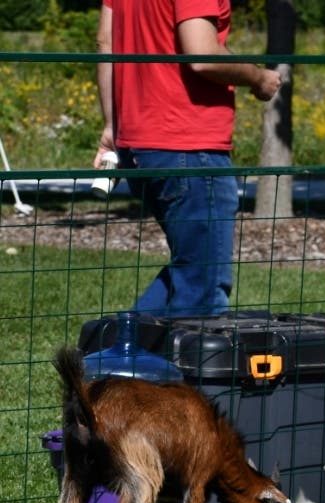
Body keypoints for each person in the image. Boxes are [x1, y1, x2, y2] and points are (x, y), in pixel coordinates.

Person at [94, 0, 281, 317]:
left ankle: (116, 342)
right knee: (203, 286)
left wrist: (113, 126)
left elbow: (105, 42)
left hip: (137, 144)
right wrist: (258, 77)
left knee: (192, 268)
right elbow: (203, 57)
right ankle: (123, 346)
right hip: (188, 146)